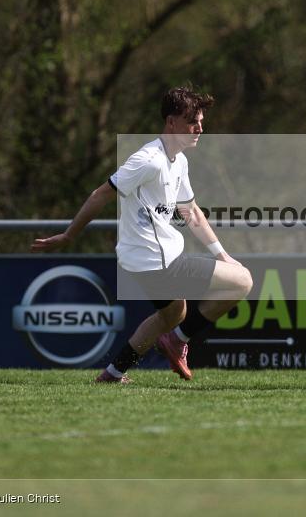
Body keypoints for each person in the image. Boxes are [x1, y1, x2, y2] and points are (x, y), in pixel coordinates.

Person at [32, 86, 253, 383]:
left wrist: (222, 255)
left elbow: (190, 211)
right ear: (171, 122)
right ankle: (176, 341)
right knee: (242, 281)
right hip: (158, 261)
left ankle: (113, 373)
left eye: (201, 121)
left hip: (144, 261)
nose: (199, 129)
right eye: (192, 122)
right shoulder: (149, 159)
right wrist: (70, 235)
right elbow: (100, 194)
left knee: (173, 313)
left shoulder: (179, 160)